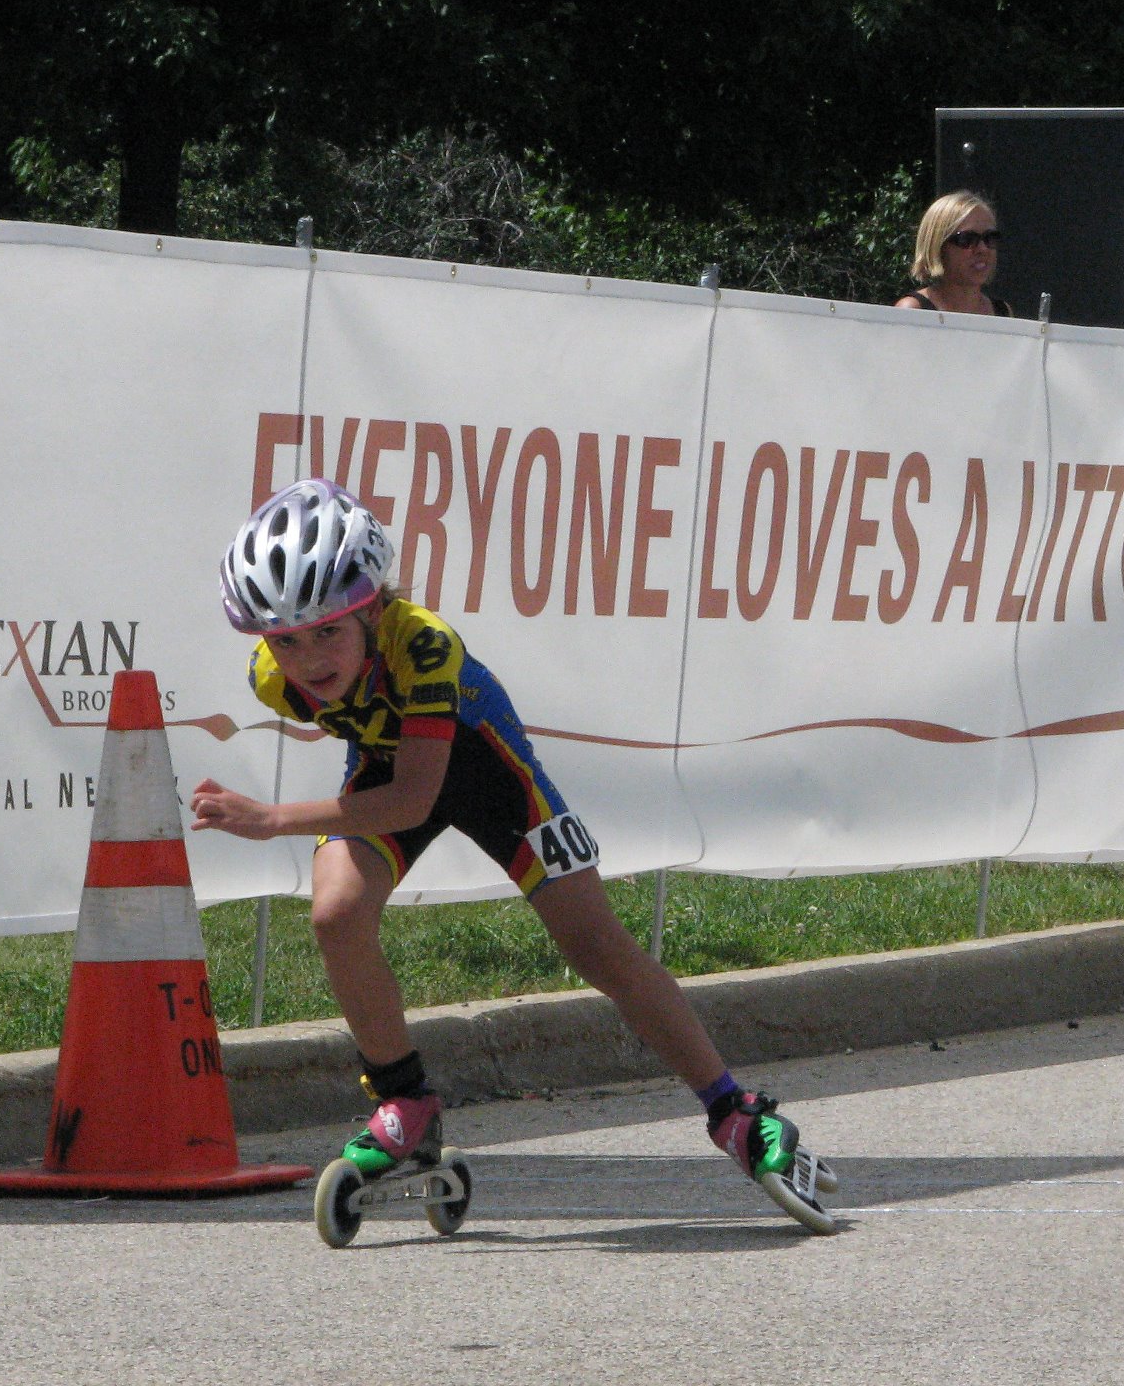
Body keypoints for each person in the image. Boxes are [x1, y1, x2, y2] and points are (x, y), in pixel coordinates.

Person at [189, 479, 836, 1231]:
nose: (308, 659)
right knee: (336, 914)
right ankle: (404, 1098)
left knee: (596, 946)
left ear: (372, 608)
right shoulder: (275, 680)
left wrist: (271, 818)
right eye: (287, 641)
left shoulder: (425, 644)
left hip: (492, 775)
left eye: (328, 631)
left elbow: (414, 799)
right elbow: (389, 776)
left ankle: (736, 1112)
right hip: (393, 771)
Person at [896, 190, 1012, 317]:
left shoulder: (1002, 312)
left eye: (990, 238)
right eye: (967, 239)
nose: (983, 248)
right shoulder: (913, 310)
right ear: (938, 246)